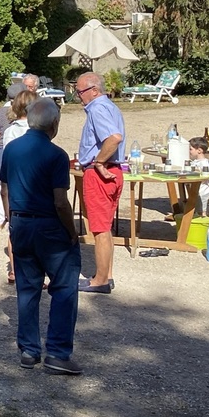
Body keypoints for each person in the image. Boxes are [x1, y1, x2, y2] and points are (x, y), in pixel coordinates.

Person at [0, 98, 81, 375]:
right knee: (64, 287)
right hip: (49, 225)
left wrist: (12, 220)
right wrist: (72, 231)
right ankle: (57, 352)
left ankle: (29, 349)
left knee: (27, 288)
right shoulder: (57, 155)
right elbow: (60, 201)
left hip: (21, 223)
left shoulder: (11, 149)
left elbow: (4, 190)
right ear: (54, 124)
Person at [75, 71, 125, 294]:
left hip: (101, 175)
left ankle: (100, 280)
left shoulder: (97, 108)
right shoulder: (111, 107)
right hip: (114, 172)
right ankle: (106, 274)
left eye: (80, 92)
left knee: (100, 229)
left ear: (94, 91)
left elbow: (114, 138)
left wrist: (99, 162)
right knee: (105, 227)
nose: (78, 96)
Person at [0, 89, 35, 284]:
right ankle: (34, 271)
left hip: (15, 183)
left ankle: (15, 270)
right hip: (33, 184)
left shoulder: (10, 131)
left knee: (14, 229)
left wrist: (4, 192)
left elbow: (7, 161)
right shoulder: (38, 130)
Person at [0, 83, 25, 229]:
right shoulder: (25, 112)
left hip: (2, 149)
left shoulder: (0, 112)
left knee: (0, 184)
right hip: (20, 150)